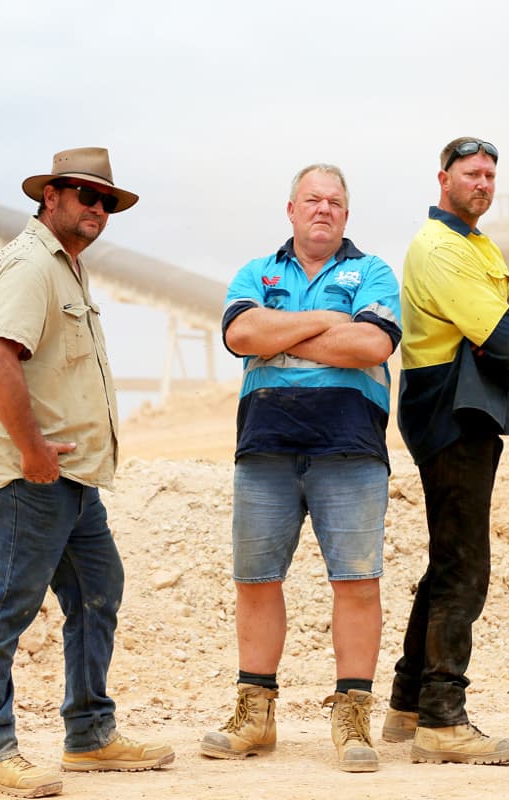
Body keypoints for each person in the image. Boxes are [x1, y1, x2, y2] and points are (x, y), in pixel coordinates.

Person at [0, 148, 174, 797]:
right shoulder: (32, 265)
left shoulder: (68, 270)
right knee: (5, 608)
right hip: (33, 481)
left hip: (74, 481)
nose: (98, 209)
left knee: (97, 589)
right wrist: (31, 451)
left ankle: (88, 735)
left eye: (107, 201)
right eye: (86, 195)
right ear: (50, 195)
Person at [199, 164, 401, 773]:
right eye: (312, 199)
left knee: (358, 583)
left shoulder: (373, 273)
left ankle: (353, 717)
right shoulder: (254, 272)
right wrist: (330, 323)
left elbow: (372, 345)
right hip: (266, 447)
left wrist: (278, 336)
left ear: (347, 214)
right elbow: (239, 333)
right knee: (256, 581)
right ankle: (255, 715)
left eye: (335, 202)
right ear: (290, 210)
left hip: (350, 447)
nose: (323, 209)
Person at [381, 137, 509, 765]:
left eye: (489, 175)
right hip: (451, 408)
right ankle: (442, 718)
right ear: (443, 179)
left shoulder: (480, 245)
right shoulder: (440, 249)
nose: (482, 183)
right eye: (470, 173)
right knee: (465, 566)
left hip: (471, 409)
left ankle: (406, 703)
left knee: (448, 557)